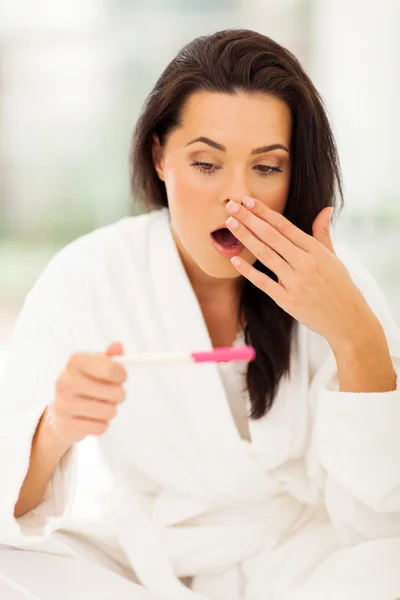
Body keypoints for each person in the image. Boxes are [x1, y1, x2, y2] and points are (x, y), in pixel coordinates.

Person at [0, 28, 399, 600]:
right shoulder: (90, 273)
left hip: (310, 568)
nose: (237, 198)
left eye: (266, 168)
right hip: (152, 567)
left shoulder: (339, 282)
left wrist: (353, 333)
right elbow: (8, 499)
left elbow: (381, 515)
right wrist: (58, 428)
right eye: (207, 164)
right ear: (160, 157)